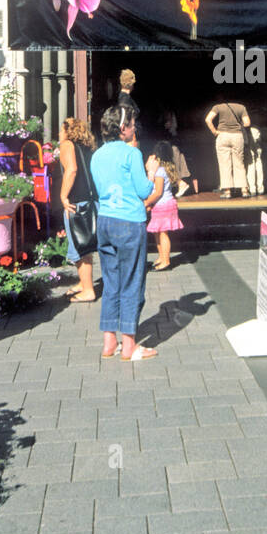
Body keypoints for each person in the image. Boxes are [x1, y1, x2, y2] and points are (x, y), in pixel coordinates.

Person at [91, 108, 157, 361]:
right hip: (130, 222)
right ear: (122, 129)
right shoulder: (132, 153)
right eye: (131, 124)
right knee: (132, 282)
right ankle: (129, 345)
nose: (134, 127)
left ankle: (109, 341)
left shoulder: (96, 155)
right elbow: (143, 190)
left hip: (106, 220)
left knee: (111, 281)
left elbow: (99, 189)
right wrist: (150, 171)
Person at [59, 116, 96, 302]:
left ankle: (88, 290)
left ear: (67, 130)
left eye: (61, 129)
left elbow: (71, 170)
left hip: (76, 202)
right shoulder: (88, 147)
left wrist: (63, 196)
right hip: (90, 200)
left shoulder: (67, 145)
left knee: (80, 246)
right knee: (85, 244)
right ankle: (84, 282)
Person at [145, 140, 184, 270]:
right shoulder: (167, 168)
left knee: (162, 233)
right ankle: (161, 256)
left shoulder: (160, 171)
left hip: (162, 204)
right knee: (158, 232)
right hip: (164, 205)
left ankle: (166, 260)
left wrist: (147, 202)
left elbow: (158, 192)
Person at [205, 99, 251, 198]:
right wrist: (237, 126)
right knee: (239, 163)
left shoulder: (218, 107)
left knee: (224, 164)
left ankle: (227, 191)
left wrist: (214, 132)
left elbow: (208, 119)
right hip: (237, 136)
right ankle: (244, 190)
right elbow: (247, 123)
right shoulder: (241, 107)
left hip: (223, 136)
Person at [116, 69, 140, 139]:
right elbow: (125, 118)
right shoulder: (124, 99)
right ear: (131, 84)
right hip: (129, 135)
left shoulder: (124, 97)